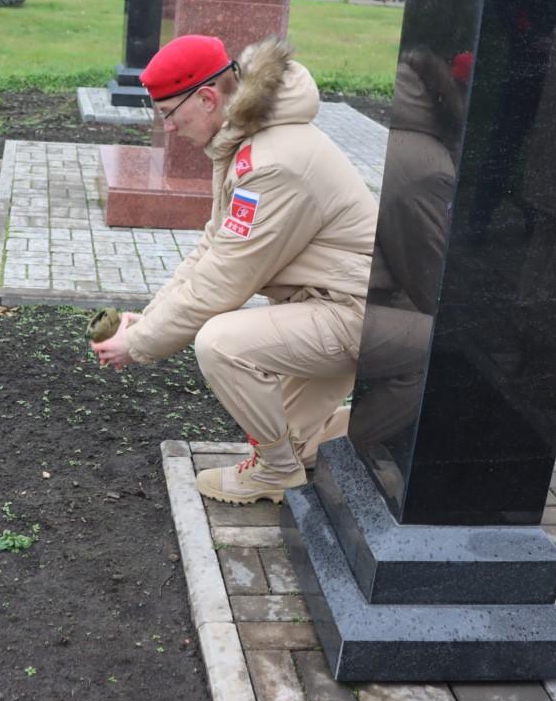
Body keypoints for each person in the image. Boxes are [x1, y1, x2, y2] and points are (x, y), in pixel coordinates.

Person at [90, 34, 378, 504]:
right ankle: (400, 432)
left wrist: (140, 345)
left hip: (357, 315)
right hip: (336, 307)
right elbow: (213, 246)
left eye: (168, 112)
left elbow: (224, 281)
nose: (166, 128)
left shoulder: (272, 162)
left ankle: (275, 474)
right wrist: (150, 316)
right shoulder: (247, 142)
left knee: (221, 343)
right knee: (296, 439)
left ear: (206, 99)